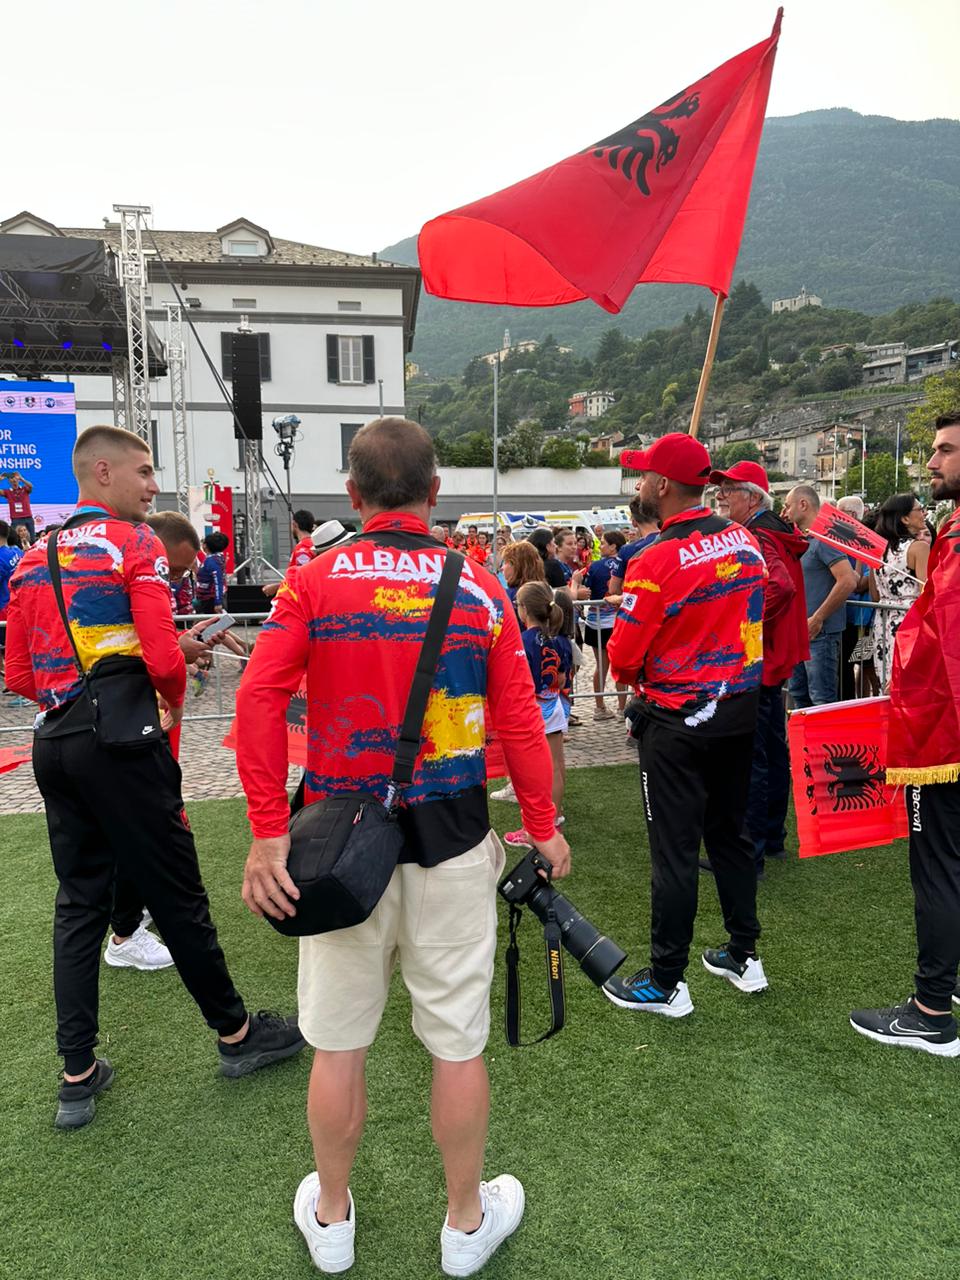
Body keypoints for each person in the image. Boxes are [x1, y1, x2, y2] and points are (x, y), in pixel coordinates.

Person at [234, 416, 570, 1276]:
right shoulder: (482, 588)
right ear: (435, 492)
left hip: (338, 849)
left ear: (353, 495)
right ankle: (464, 1225)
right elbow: (521, 720)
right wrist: (542, 824)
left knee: (338, 1042)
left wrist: (267, 833)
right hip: (452, 842)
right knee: (456, 1044)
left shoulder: (312, 578)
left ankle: (333, 1218)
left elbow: (258, 699)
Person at [4, 425, 305, 1129]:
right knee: (177, 891)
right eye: (142, 471)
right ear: (102, 472)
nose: (152, 485)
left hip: (54, 741)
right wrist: (163, 687)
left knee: (79, 903)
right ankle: (237, 1035)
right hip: (122, 745)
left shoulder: (30, 558)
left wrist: (79, 694)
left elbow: (18, 672)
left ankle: (77, 1075)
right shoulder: (133, 543)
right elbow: (165, 659)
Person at [603, 434, 769, 1017]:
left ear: (662, 485)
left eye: (644, 474)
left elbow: (623, 656)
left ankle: (667, 980)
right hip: (739, 710)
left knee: (673, 851)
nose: (639, 483)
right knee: (729, 835)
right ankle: (743, 954)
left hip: (675, 722)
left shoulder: (653, 559)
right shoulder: (745, 540)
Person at [850, 413, 960, 1055]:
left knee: (938, 867)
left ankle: (931, 1010)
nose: (932, 462)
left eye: (945, 450)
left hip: (944, 734)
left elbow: (938, 645)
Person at [708, 460, 808, 877]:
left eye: (728, 489)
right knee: (771, 747)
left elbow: (780, 586)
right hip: (775, 653)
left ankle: (750, 852)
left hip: (761, 656)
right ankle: (771, 839)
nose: (720, 495)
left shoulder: (757, 533)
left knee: (753, 755)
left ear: (751, 497)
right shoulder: (771, 528)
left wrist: (741, 624)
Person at [504, 581, 573, 847]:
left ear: (524, 609)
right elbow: (563, 677)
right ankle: (554, 821)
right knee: (555, 766)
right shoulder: (559, 640)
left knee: (532, 771)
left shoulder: (523, 641)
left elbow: (519, 680)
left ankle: (534, 829)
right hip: (553, 704)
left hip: (532, 710)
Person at [782, 484, 858, 707]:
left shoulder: (823, 540)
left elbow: (848, 580)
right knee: (799, 695)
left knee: (821, 700)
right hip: (801, 632)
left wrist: (818, 618)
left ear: (803, 505)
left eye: (788, 506)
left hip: (819, 634)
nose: (785, 512)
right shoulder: (804, 539)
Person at [870, 493, 929, 689]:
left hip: (882, 621)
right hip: (910, 621)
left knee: (887, 681)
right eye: (920, 509)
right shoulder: (919, 548)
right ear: (905, 518)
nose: (924, 513)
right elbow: (925, 592)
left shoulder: (877, 550)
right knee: (911, 683)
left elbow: (875, 595)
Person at [572, 529, 626, 721]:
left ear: (613, 546)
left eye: (603, 543)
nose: (600, 546)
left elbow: (587, 591)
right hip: (617, 621)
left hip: (596, 622)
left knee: (601, 666)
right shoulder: (627, 564)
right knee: (620, 666)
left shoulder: (595, 566)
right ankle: (622, 709)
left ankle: (599, 707)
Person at [835, 496, 872, 700]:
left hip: (863, 620)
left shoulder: (866, 542)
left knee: (866, 667)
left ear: (851, 515)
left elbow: (861, 583)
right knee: (846, 668)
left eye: (838, 513)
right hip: (846, 617)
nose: (834, 518)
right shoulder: (839, 540)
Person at [607, 495, 659, 600]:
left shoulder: (627, 550)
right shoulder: (674, 539)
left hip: (642, 604)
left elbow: (613, 589)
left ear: (634, 522)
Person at [264, 510, 316, 599]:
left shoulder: (303, 548)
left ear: (294, 525)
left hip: (303, 598)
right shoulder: (314, 544)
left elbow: (302, 577)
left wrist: (277, 587)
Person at [196, 530, 229, 613]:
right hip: (207, 597)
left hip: (211, 599)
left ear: (205, 545)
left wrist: (218, 602)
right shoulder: (215, 558)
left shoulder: (212, 561)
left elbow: (218, 581)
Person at [0, 470, 35, 542]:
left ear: (18, 480)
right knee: (15, 540)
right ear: (9, 481)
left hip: (28, 517)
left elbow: (31, 486)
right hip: (16, 519)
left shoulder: (24, 489)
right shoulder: (7, 492)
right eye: (11, 479)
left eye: (15, 478)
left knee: (32, 539)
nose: (14, 480)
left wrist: (21, 478)